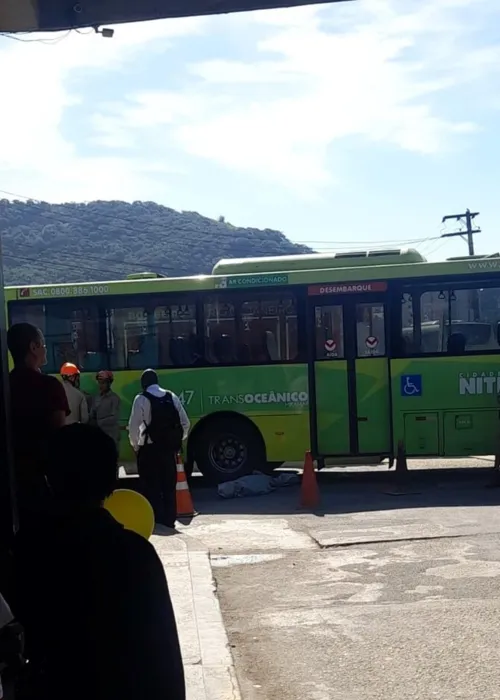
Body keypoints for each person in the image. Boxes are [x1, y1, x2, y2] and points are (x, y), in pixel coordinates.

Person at [12, 424, 185, 700]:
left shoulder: (26, 550)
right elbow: (164, 664)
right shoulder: (135, 554)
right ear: (112, 483)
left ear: (48, 480)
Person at [7, 323, 69, 519]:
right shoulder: (49, 386)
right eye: (42, 344)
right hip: (41, 480)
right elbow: (59, 437)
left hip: (13, 477)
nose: (45, 349)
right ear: (33, 347)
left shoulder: (7, 384)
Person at [128, 369, 190, 530]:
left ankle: (156, 520)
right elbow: (185, 423)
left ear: (143, 383)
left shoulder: (141, 399)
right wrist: (174, 440)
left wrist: (136, 446)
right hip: (168, 451)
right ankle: (170, 520)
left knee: (151, 487)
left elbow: (134, 427)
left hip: (149, 450)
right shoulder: (171, 396)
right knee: (169, 487)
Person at [90, 370, 121, 452]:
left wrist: (99, 422)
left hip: (111, 437)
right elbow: (92, 414)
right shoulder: (96, 398)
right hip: (99, 437)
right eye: (99, 383)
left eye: (103, 383)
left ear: (109, 383)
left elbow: (114, 417)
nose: (101, 385)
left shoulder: (114, 398)